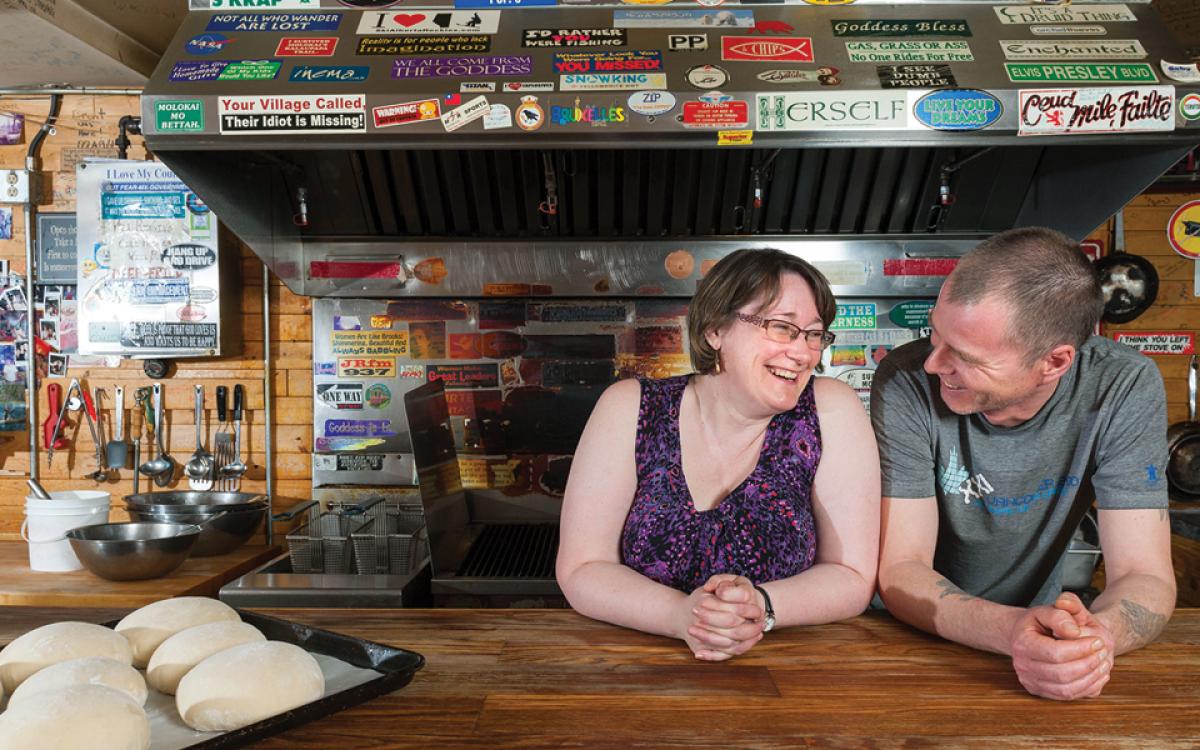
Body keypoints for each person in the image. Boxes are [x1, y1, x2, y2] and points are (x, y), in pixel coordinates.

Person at [871, 227, 1175, 701]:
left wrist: (1094, 641)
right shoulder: (906, 381)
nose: (934, 363)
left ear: (1054, 362)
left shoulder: (1123, 385)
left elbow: (1144, 573)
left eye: (966, 356)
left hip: (1036, 642)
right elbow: (900, 570)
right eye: (936, 333)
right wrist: (1015, 630)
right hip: (904, 642)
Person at [557, 248, 880, 661]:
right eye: (782, 328)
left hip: (789, 675)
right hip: (636, 670)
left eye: (814, 334)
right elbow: (582, 569)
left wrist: (759, 605)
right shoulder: (630, 407)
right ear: (715, 330)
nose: (803, 353)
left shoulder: (830, 408)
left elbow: (851, 576)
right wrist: (680, 616)